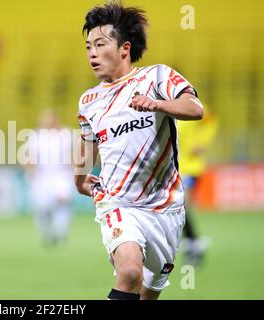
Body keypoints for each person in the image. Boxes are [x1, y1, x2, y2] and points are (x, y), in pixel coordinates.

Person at [74, 2, 204, 300]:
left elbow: (195, 109)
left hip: (166, 209)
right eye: (88, 47)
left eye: (100, 44)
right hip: (117, 202)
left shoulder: (157, 78)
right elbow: (88, 143)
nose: (92, 53)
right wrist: (80, 180)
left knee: (147, 293)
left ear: (124, 48)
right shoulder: (88, 101)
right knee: (130, 273)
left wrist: (159, 104)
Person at [24, 109, 74, 246]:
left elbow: (73, 154)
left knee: (63, 203)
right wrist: (30, 172)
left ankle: (60, 232)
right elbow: (29, 156)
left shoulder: (66, 134)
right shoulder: (36, 136)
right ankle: (47, 233)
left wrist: (75, 172)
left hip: (62, 175)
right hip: (42, 177)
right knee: (42, 208)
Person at [178, 106, 218, 266]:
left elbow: (211, 120)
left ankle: (192, 242)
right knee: (176, 207)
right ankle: (192, 241)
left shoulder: (189, 102)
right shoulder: (159, 104)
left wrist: (201, 142)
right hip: (171, 168)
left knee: (182, 204)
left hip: (190, 166)